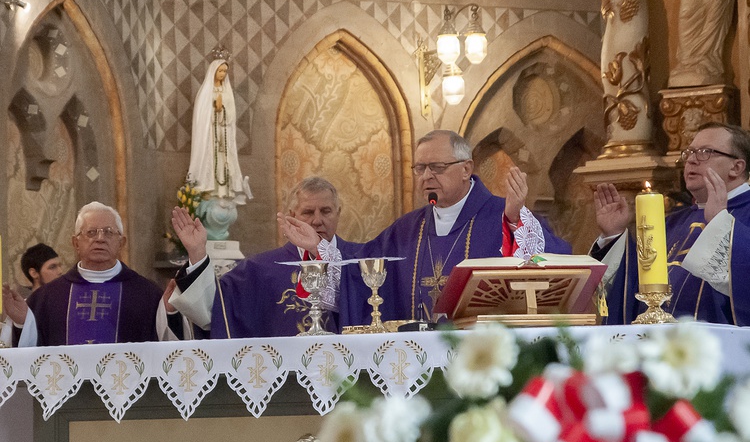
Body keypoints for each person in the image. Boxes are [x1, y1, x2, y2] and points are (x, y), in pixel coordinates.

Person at [281, 130, 572, 327]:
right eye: (420, 168)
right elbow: (359, 275)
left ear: (466, 169)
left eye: (437, 167)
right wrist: (317, 249)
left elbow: (549, 271)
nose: (426, 177)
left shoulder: (504, 215)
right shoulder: (407, 230)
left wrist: (515, 221)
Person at [593, 122, 750, 325]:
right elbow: (630, 290)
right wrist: (613, 235)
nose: (692, 160)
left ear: (736, 167)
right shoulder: (670, 222)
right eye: (690, 152)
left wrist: (720, 225)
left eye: (705, 152)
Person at [168, 177, 360, 337]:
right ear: (292, 216)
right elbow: (216, 312)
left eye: (326, 211)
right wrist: (197, 252)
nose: (317, 220)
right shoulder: (258, 270)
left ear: (338, 213)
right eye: (308, 212)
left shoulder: (361, 261)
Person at [2, 202, 187, 346]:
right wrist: (22, 323)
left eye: (108, 232)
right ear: (75, 243)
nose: (100, 238)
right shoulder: (46, 298)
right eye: (91, 232)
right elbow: (29, 358)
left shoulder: (146, 294)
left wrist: (170, 313)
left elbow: (170, 351)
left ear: (121, 243)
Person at [187, 57, 251, 203]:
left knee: (224, 160)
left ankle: (223, 191)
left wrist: (222, 110)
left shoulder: (227, 92)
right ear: (214, 71)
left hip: (224, 133)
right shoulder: (205, 92)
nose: (222, 74)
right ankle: (208, 188)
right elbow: (201, 118)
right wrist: (214, 109)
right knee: (210, 160)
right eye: (220, 71)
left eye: (225, 71)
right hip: (210, 136)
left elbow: (231, 115)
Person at [0, 243, 63, 346]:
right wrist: (20, 323)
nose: (60, 271)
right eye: (52, 267)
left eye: (60, 266)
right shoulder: (23, 306)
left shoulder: (65, 302)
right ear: (34, 273)